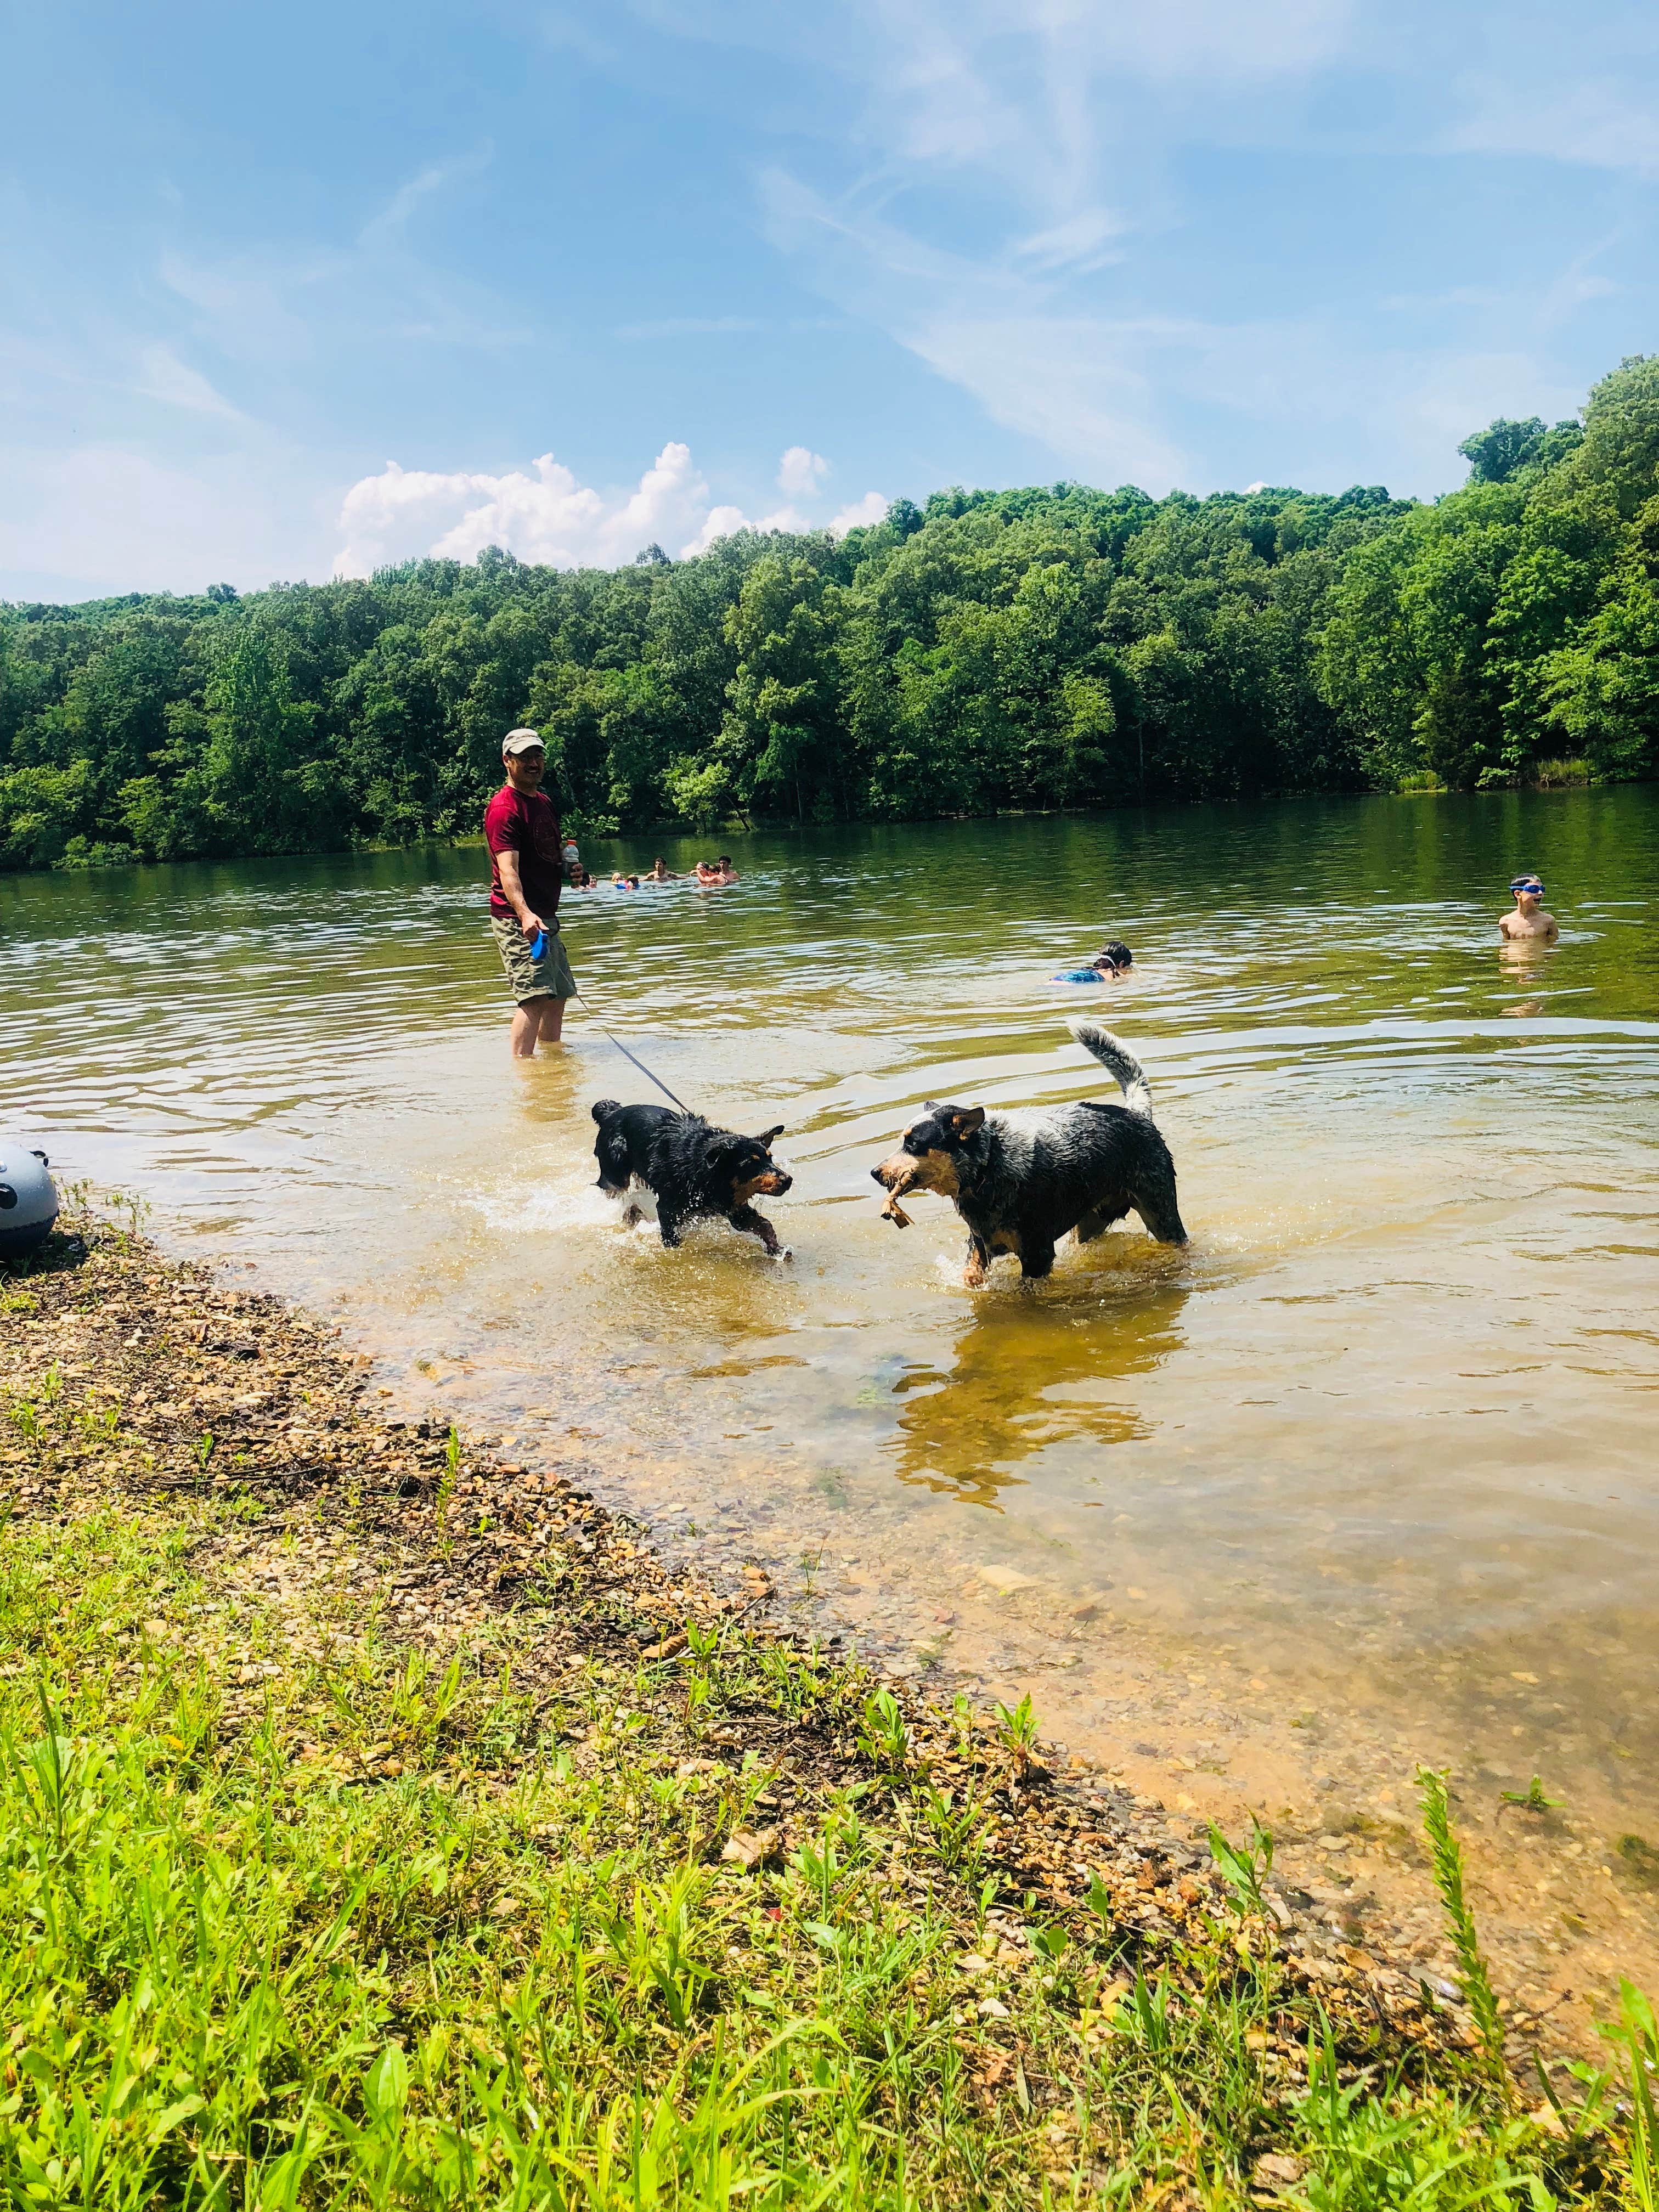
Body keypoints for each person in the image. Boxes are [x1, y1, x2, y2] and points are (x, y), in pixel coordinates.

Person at [483, 729, 575, 1058]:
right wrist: (524, 914)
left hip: (546, 915)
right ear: (508, 761)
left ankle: (552, 1067)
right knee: (534, 997)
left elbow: (552, 854)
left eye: (537, 756)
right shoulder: (504, 809)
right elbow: (508, 870)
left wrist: (572, 870)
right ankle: (524, 1074)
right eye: (525, 758)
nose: (534, 763)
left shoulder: (544, 802)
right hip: (517, 918)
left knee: (557, 995)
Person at [1499, 874, 1558, 943]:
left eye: (1542, 889)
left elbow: (1554, 945)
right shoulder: (1506, 922)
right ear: (1518, 894)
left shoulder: (1548, 921)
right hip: (1514, 954)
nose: (1540, 893)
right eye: (1534, 889)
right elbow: (1505, 945)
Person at [1052, 940, 1133, 983]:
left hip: (1058, 979)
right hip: (1068, 984)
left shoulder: (1090, 970)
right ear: (1121, 964)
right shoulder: (1113, 975)